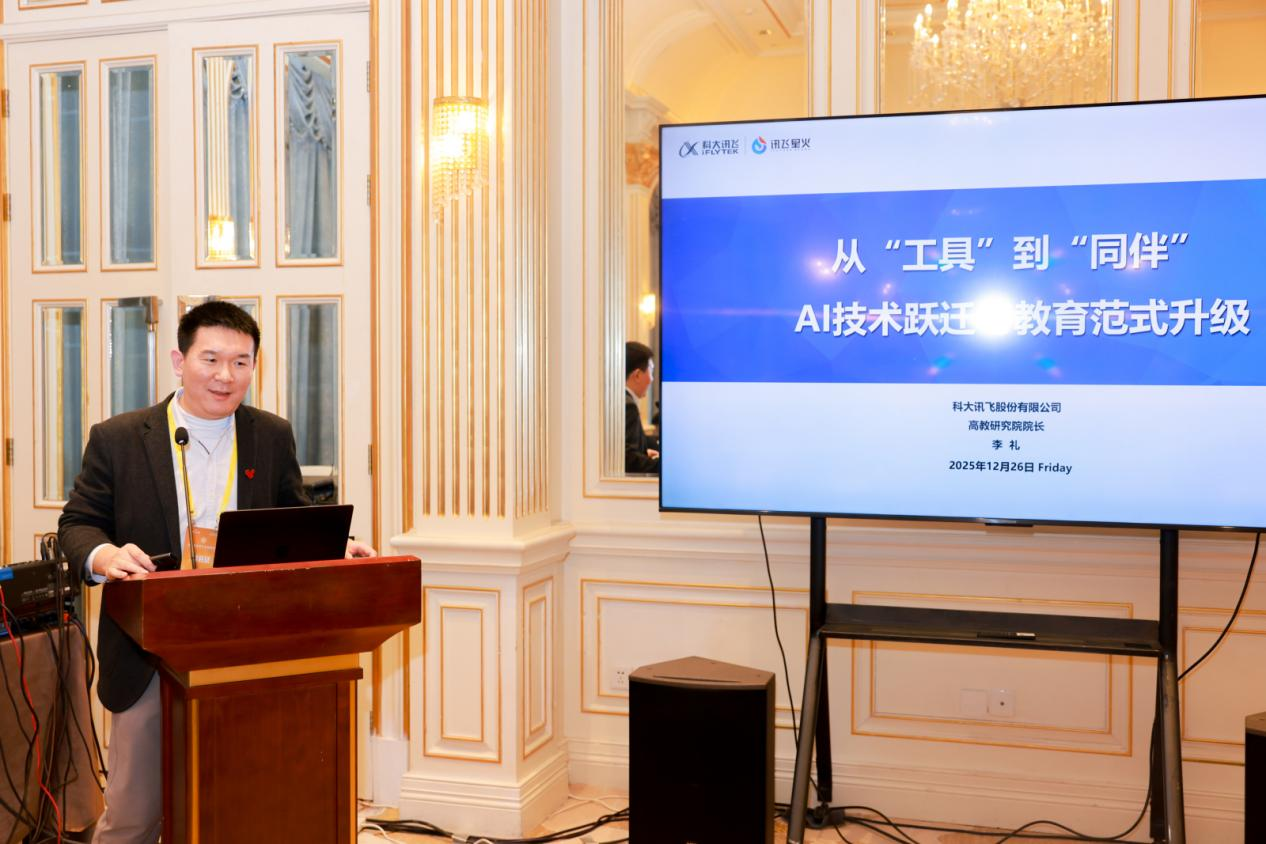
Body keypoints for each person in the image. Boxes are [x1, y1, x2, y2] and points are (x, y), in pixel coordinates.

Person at [57, 301, 374, 844]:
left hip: (246, 649)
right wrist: (103, 556)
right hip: (147, 648)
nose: (225, 375)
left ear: (254, 366)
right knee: (134, 815)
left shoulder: (271, 435)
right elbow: (78, 524)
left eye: (240, 362)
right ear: (179, 361)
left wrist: (333, 547)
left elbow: (293, 516)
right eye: (211, 359)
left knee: (236, 806)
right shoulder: (119, 437)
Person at [625, 340, 660, 474]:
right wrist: (662, 465)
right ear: (638, 375)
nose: (652, 379)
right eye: (651, 371)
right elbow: (629, 459)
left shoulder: (620, 402)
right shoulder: (628, 406)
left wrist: (644, 453)